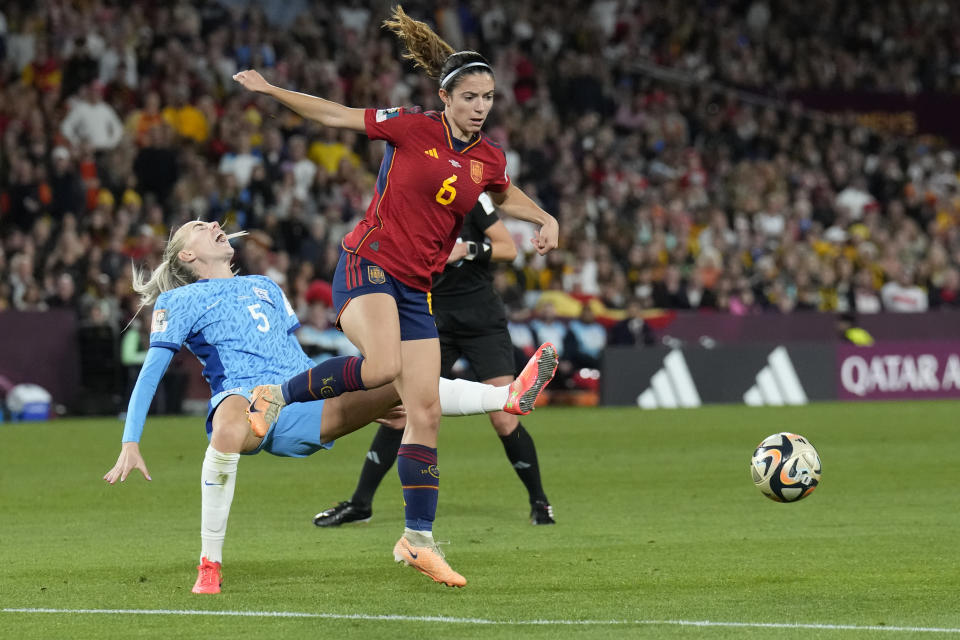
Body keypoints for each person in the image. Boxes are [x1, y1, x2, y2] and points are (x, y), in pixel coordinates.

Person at [232, 5, 559, 588]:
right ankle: (273, 394)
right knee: (382, 368)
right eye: (471, 97)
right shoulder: (413, 127)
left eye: (488, 97)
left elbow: (503, 194)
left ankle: (417, 540)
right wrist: (269, 90)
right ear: (446, 98)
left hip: (416, 288)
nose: (482, 106)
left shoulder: (489, 157)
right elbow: (335, 116)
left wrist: (543, 216)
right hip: (368, 265)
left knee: (421, 410)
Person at [102, 220, 559, 595]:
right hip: (242, 399)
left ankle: (507, 397)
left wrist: (357, 395)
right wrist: (131, 439)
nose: (214, 226)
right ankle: (209, 566)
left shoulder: (264, 286)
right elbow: (152, 369)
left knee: (403, 378)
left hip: (300, 398)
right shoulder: (177, 301)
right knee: (228, 421)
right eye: (200, 228)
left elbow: (292, 352)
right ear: (186, 255)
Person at [314, 196, 557, 531]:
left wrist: (467, 249)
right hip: (431, 317)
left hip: (480, 319)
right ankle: (360, 504)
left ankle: (540, 502)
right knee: (402, 408)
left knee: (503, 419)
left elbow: (507, 249)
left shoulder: (467, 195)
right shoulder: (406, 205)